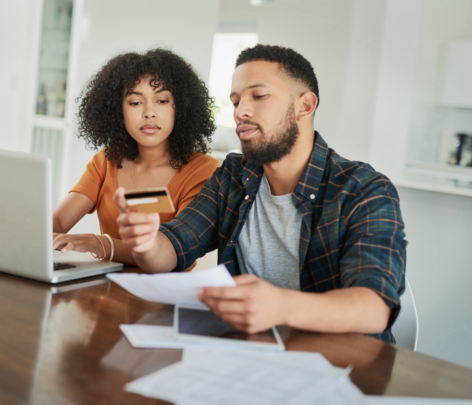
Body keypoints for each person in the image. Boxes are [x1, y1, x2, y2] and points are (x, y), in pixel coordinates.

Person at [114, 44, 407, 343]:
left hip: (340, 365)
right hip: (249, 352)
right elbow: (173, 248)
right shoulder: (233, 176)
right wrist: (147, 243)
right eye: (236, 100)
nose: (241, 111)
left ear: (304, 106)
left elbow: (374, 308)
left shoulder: (364, 189)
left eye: (259, 95)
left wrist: (280, 306)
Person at [52, 49, 220, 268]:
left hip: (164, 294)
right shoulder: (106, 160)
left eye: (161, 100)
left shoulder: (203, 169)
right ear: (116, 110)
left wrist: (98, 243)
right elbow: (59, 222)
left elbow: (173, 250)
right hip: (102, 289)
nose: (149, 112)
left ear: (180, 108)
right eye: (135, 102)